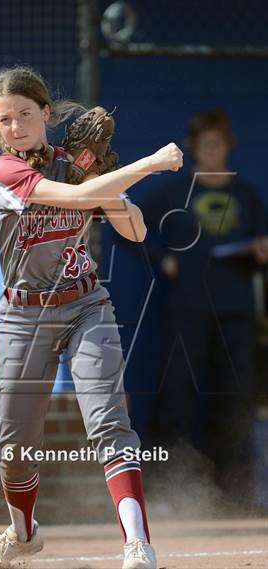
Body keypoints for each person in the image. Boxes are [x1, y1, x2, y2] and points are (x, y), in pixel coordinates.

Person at [0, 66, 183, 569]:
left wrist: (100, 177)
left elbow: (137, 231)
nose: (16, 125)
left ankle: (137, 543)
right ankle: (23, 535)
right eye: (5, 119)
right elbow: (74, 199)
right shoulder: (3, 173)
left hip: (86, 305)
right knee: (14, 445)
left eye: (25, 114)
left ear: (46, 113)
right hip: (23, 317)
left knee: (109, 421)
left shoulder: (74, 166)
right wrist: (148, 164)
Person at [143, 110, 268, 505]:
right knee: (177, 394)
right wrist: (161, 257)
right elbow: (130, 223)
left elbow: (261, 241)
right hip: (188, 308)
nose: (213, 150)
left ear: (229, 145)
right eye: (205, 144)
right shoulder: (175, 191)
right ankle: (168, 488)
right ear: (195, 147)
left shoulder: (245, 193)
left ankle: (234, 492)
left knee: (236, 397)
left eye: (219, 142)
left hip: (237, 309)